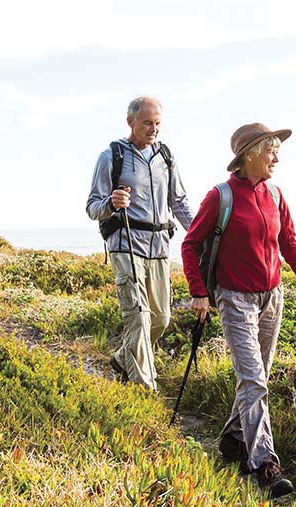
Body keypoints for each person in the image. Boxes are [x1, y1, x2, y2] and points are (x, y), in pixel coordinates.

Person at [180, 122, 296, 497]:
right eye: (271, 150)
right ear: (250, 155)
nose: (277, 157)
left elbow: (287, 240)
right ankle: (265, 464)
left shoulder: (275, 194)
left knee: (257, 379)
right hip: (235, 299)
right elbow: (190, 246)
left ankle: (231, 439)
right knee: (254, 380)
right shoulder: (220, 196)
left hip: (272, 297)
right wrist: (199, 292)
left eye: (277, 150)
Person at [86, 96, 194, 391]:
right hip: (126, 244)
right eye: (148, 122)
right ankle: (145, 388)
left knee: (161, 318)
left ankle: (123, 358)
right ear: (131, 121)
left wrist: (199, 234)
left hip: (159, 247)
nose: (153, 128)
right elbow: (93, 206)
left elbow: (179, 202)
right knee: (139, 317)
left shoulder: (166, 157)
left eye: (157, 123)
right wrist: (111, 202)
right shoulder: (112, 156)